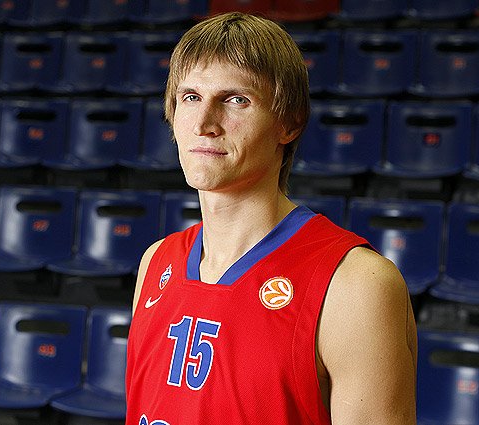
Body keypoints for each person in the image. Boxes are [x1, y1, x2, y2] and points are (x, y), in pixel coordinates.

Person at [125, 12, 417, 425]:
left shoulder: (354, 285)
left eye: (235, 100)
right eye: (190, 97)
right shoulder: (156, 262)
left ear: (289, 123)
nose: (204, 124)